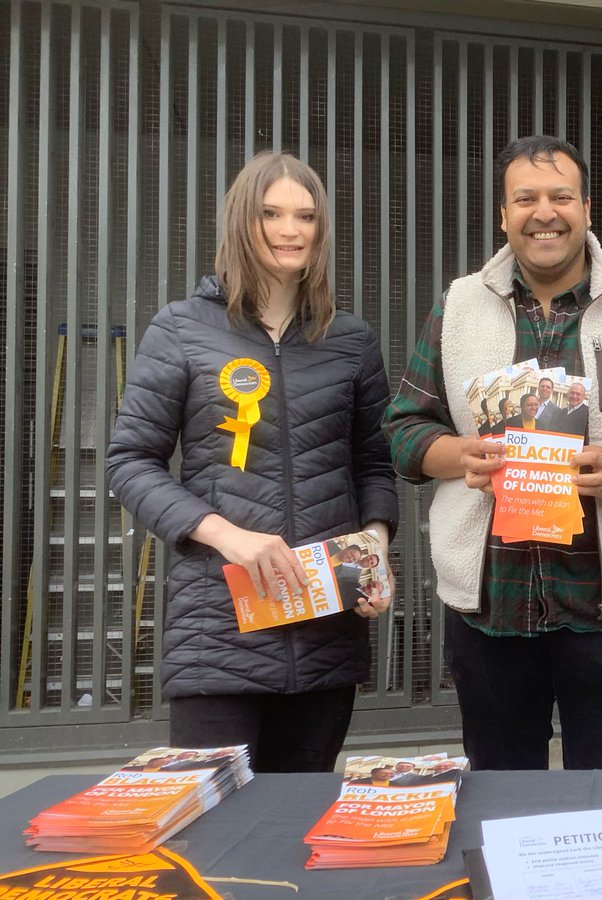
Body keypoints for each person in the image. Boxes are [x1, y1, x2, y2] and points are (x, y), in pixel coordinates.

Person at [384, 134, 602, 771]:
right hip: (488, 606)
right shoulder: (458, 305)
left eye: (561, 196)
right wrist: (459, 456)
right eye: (525, 198)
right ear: (504, 216)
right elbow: (404, 428)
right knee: (503, 796)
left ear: (587, 208)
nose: (544, 212)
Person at [106, 151, 398, 773]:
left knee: (296, 824)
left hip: (324, 624)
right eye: (271, 214)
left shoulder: (350, 339)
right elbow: (130, 462)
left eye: (305, 216)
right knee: (212, 832)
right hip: (217, 629)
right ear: (243, 221)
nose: (290, 230)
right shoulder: (182, 328)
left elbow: (374, 462)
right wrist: (229, 538)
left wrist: (374, 549)